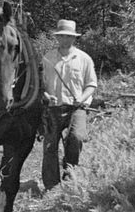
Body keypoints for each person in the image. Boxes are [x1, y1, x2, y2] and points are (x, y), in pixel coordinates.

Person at [40, 19, 98, 189]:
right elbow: (41, 85)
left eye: (69, 36)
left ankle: (70, 178)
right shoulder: (47, 58)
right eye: (62, 36)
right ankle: (51, 187)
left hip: (77, 108)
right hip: (52, 109)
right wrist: (46, 96)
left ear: (74, 38)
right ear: (57, 37)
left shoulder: (84, 59)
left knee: (77, 138)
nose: (65, 39)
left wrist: (83, 97)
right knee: (50, 147)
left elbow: (91, 84)